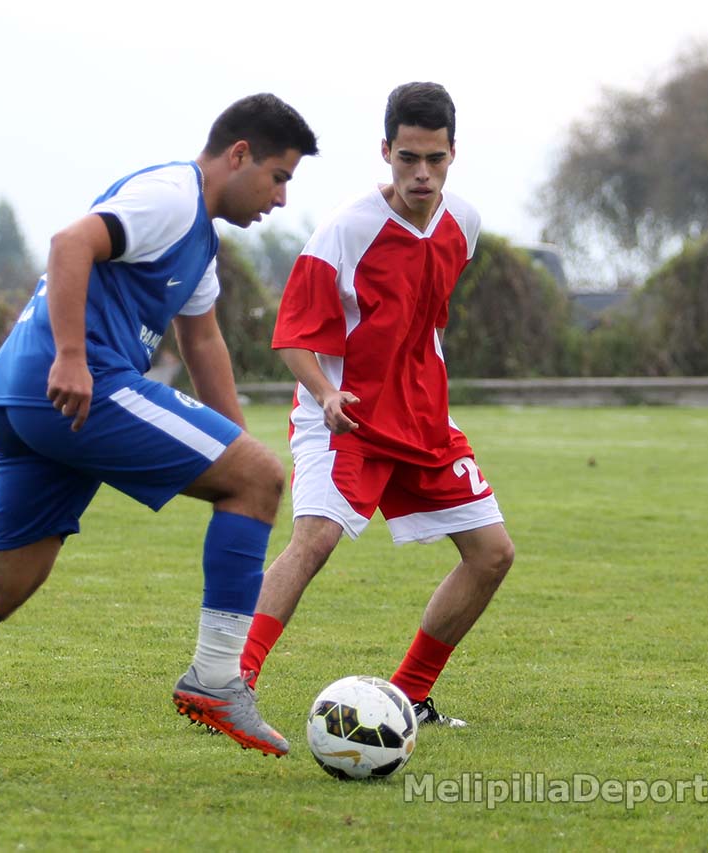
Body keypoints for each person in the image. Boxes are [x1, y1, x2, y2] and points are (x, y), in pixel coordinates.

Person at [0, 94, 319, 765]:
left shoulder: (199, 241)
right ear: (240, 155)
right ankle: (214, 681)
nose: (282, 198)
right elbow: (71, 242)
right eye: (280, 176)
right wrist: (71, 356)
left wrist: (233, 448)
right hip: (77, 385)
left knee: (3, 582)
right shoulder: (171, 196)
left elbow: (203, 340)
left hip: (22, 395)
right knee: (261, 478)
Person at [238, 82, 514, 727]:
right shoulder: (345, 229)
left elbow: (425, 322)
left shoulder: (463, 224)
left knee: (493, 554)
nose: (422, 174)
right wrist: (329, 393)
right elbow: (294, 334)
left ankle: (411, 694)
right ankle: (230, 679)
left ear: (453, 154)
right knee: (314, 541)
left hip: (423, 420)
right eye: (407, 158)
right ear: (385, 151)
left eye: (435, 159)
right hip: (347, 416)